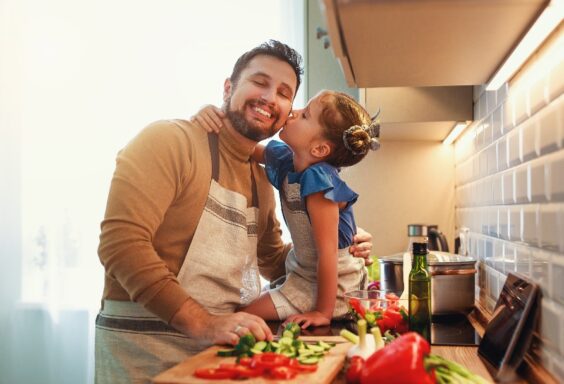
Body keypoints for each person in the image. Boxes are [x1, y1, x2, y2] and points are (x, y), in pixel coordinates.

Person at [95, 40, 373, 384]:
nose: (270, 97)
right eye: (259, 82)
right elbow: (120, 246)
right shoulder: (169, 140)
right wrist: (204, 323)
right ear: (228, 87)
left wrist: (334, 248)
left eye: (284, 93)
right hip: (145, 350)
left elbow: (272, 258)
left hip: (220, 353)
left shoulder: (260, 175)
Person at [193, 89, 380, 329]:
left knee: (241, 316)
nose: (293, 112)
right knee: (242, 312)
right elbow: (241, 146)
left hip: (332, 288)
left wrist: (322, 312)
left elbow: (328, 254)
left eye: (305, 116)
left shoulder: (319, 183)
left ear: (319, 149)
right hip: (303, 274)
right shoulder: (286, 160)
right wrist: (213, 118)